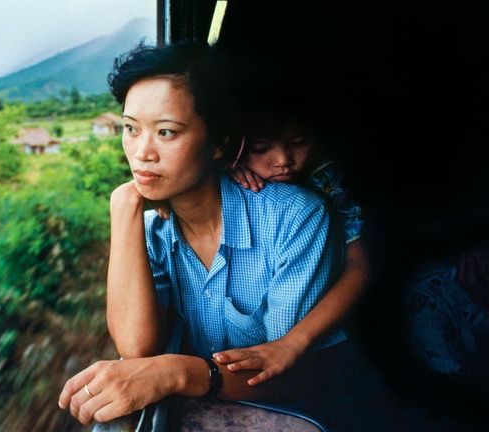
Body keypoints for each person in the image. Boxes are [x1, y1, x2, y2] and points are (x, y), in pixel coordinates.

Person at [58, 43, 366, 428]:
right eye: (131, 129)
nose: (141, 153)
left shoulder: (294, 217)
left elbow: (289, 373)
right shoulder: (153, 231)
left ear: (220, 140)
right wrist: (124, 208)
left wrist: (178, 372)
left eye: (166, 132)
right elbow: (136, 347)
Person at [206, 108, 370, 387]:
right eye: (261, 147)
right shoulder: (226, 177)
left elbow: (361, 265)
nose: (283, 160)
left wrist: (292, 343)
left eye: (299, 142)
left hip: (331, 331)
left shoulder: (327, 178)